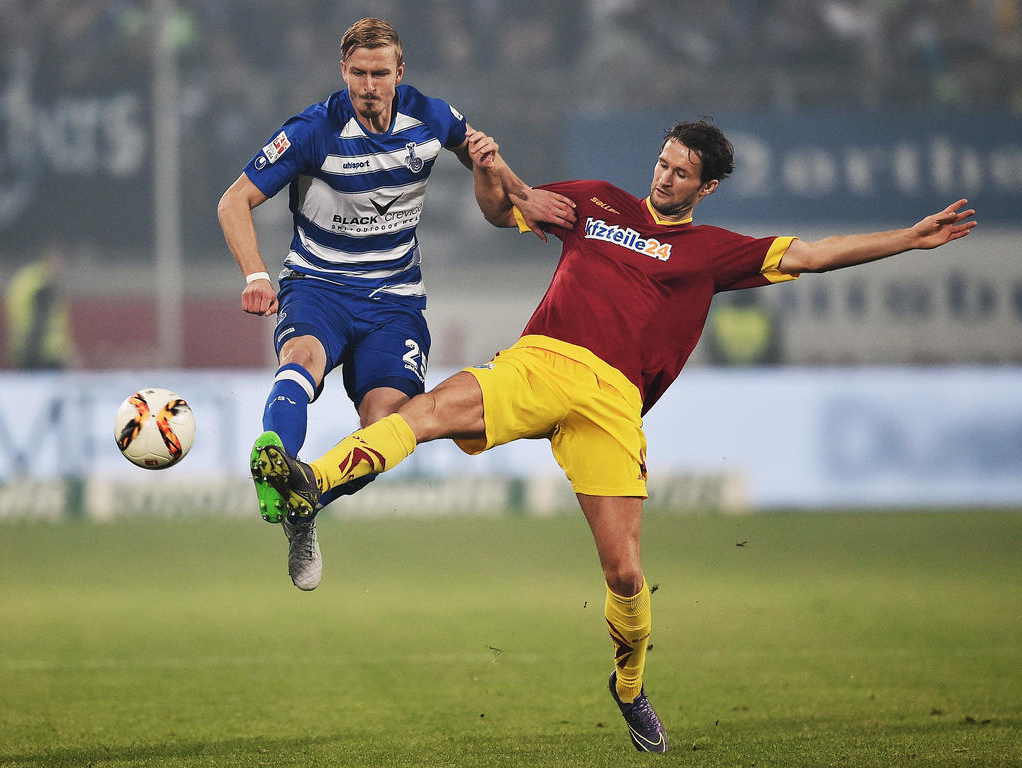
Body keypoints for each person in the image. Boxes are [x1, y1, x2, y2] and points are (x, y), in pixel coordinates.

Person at [248, 118, 977, 752]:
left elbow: (814, 254)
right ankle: (312, 483)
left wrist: (907, 240)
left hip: (613, 406)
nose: (664, 176)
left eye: (681, 172)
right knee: (421, 413)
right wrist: (490, 171)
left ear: (706, 188)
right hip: (540, 362)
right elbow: (505, 212)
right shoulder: (597, 201)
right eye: (662, 162)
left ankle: (629, 689)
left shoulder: (713, 253)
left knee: (625, 573)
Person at [217, 18, 575, 592]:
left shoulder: (430, 116)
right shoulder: (314, 129)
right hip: (319, 285)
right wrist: (256, 275)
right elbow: (233, 202)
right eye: (358, 73)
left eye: (379, 73)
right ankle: (277, 469)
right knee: (301, 359)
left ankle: (305, 503)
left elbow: (478, 152)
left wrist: (524, 194)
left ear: (399, 74)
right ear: (343, 73)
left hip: (394, 301)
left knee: (386, 423)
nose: (368, 85)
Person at [5, 242, 71, 371]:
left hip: (23, 351)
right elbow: (39, 322)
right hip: (43, 356)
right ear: (51, 259)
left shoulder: (25, 280)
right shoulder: (43, 286)